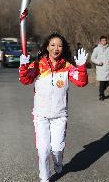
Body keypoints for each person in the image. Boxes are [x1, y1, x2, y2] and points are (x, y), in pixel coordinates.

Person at [19, 32, 88, 182]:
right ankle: (44, 178)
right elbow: (25, 80)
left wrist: (81, 66)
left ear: (63, 48)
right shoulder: (38, 65)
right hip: (41, 115)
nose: (56, 48)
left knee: (57, 149)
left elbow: (81, 82)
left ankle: (58, 163)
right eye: (53, 45)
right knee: (43, 151)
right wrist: (23, 65)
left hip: (59, 115)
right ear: (47, 47)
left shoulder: (67, 67)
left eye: (60, 45)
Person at [91, 35, 109, 101]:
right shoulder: (96, 49)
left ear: (106, 41)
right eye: (102, 40)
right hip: (100, 69)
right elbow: (92, 58)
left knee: (108, 82)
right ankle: (101, 95)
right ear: (100, 41)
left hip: (107, 68)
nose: (104, 41)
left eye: (105, 40)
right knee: (102, 83)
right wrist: (98, 62)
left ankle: (102, 91)